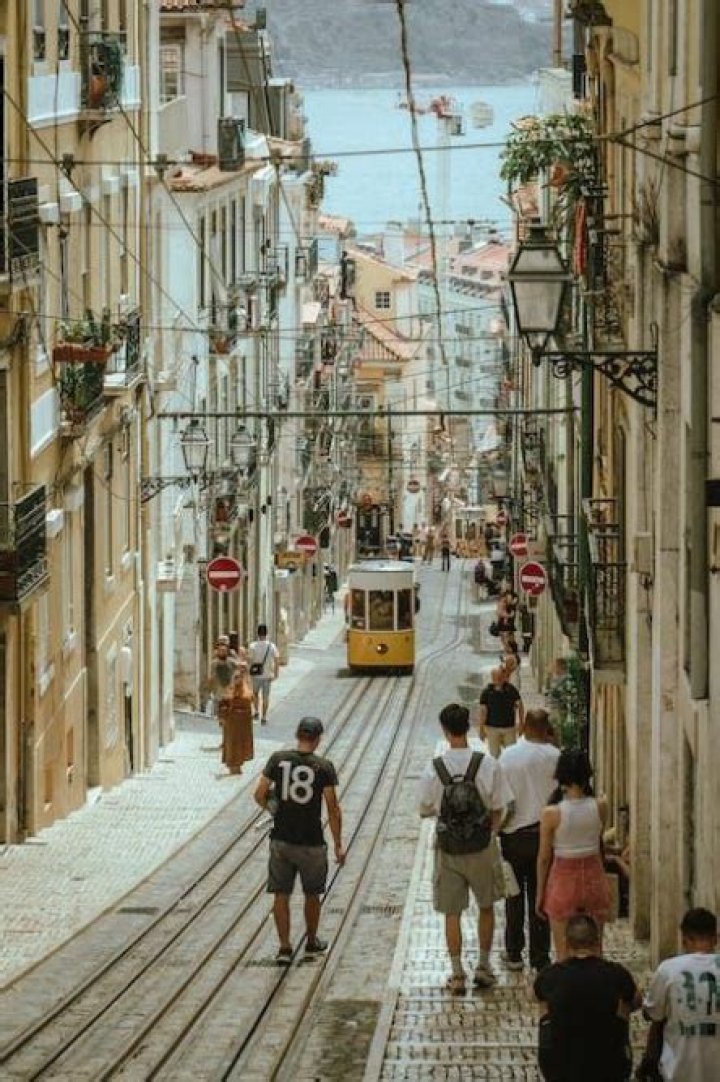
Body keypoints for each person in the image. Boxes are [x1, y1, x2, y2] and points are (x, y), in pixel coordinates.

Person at [418, 703, 510, 995]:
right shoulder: (488, 764)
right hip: (482, 847)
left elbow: (424, 809)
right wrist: (490, 831)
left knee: (452, 912)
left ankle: (457, 974)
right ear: (468, 727)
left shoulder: (434, 769)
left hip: (449, 850)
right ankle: (483, 966)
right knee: (487, 906)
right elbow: (500, 807)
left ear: (445, 731)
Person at [254, 717, 345, 964]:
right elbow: (333, 809)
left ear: (297, 735)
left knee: (280, 894)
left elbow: (259, 794)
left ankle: (284, 948)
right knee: (312, 894)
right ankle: (312, 942)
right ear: (318, 739)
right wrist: (338, 844)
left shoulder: (277, 759)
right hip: (311, 842)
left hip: (281, 840)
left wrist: (274, 808)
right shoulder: (324, 767)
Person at [534, 913, 640, 1082]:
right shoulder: (616, 974)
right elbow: (637, 1000)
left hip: (560, 1067)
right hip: (609, 1065)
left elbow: (533, 995)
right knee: (624, 1001)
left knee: (544, 1004)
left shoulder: (550, 976)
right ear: (597, 942)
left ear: (567, 944)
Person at [499, 708, 560, 972]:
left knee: (513, 896)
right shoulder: (556, 757)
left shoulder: (508, 756)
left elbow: (502, 800)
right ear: (547, 729)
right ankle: (540, 957)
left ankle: (514, 953)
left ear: (523, 727)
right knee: (541, 894)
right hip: (546, 838)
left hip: (514, 837)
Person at [536, 749, 610, 961]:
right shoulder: (601, 806)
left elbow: (544, 858)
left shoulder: (552, 814)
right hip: (594, 877)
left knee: (563, 953)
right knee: (596, 950)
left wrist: (540, 893)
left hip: (563, 880)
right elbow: (598, 840)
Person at [639, 907, 720, 1081]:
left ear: (684, 939)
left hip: (679, 1072)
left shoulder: (669, 969)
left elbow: (651, 1014)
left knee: (660, 1021)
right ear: (716, 939)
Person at [477, 666, 524, 758]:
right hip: (492, 728)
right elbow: (483, 712)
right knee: (494, 755)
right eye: (495, 677)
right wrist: (481, 729)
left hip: (509, 728)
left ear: (504, 677)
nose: (498, 679)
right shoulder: (486, 692)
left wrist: (522, 723)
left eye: (500, 676)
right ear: (492, 677)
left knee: (511, 755)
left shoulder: (511, 690)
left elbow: (520, 706)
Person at [221, 662, 254, 775]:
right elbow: (223, 703)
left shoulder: (246, 687)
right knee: (232, 743)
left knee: (242, 743)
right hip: (232, 721)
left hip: (244, 722)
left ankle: (238, 766)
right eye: (236, 677)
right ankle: (232, 766)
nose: (238, 679)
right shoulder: (230, 689)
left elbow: (251, 699)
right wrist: (222, 718)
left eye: (240, 677)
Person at [206, 637, 239, 746]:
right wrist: (209, 691)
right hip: (218, 695)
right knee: (221, 719)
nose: (222, 652)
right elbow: (211, 678)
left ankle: (227, 740)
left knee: (228, 719)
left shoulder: (232, 662)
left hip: (229, 695)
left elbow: (241, 668)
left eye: (224, 650)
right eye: (220, 650)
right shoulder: (214, 664)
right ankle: (226, 739)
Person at [247, 623, 280, 725]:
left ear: (257, 633)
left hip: (256, 675)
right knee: (266, 697)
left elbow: (249, 660)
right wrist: (276, 673)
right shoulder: (271, 646)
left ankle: (256, 711)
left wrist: (248, 673)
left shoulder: (252, 646)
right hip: (267, 675)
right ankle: (264, 717)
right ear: (266, 633)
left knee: (255, 694)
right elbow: (277, 659)